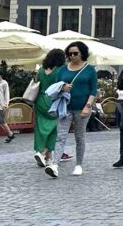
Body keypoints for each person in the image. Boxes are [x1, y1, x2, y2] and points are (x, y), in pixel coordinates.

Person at [47, 41, 98, 178]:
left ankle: (79, 165)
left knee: (79, 137)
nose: (72, 56)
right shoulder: (63, 69)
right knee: (61, 136)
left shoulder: (89, 69)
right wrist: (62, 88)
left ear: (82, 53)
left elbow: (93, 90)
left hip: (82, 108)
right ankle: (55, 165)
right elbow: (56, 87)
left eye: (75, 53)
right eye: (70, 54)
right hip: (65, 107)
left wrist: (88, 106)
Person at [33, 49, 66, 168]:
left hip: (40, 100)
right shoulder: (60, 70)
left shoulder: (41, 70)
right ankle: (44, 152)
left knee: (40, 128)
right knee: (54, 129)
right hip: (53, 101)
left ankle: (47, 156)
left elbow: (36, 82)